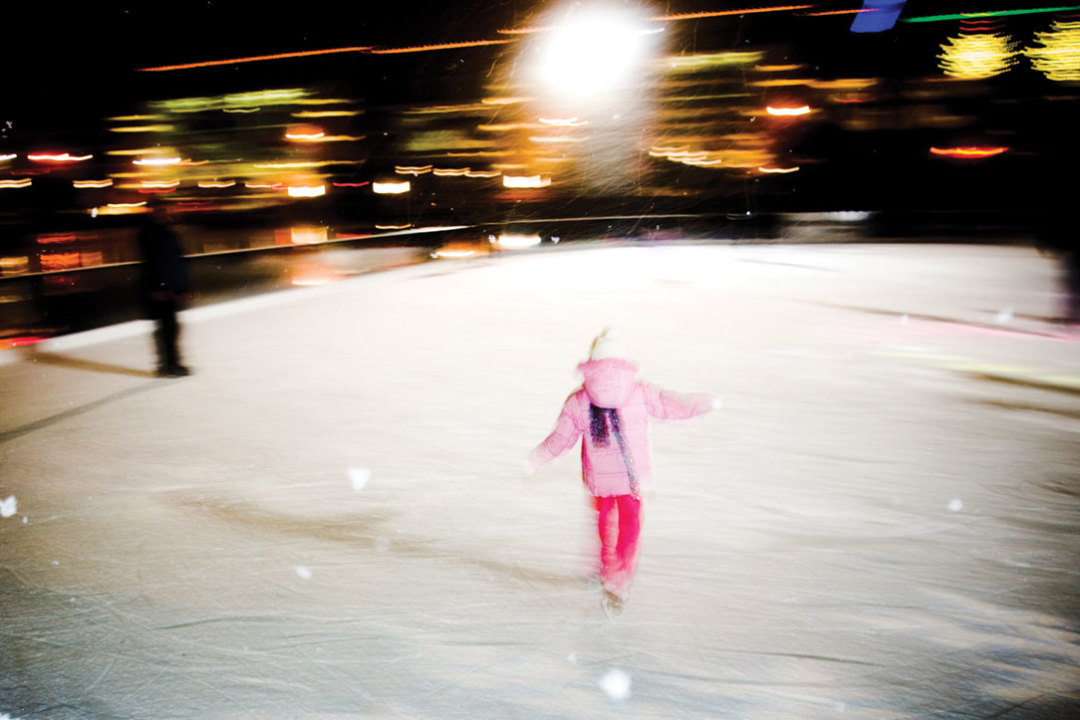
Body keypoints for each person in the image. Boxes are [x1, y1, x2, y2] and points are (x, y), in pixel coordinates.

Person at [525, 328, 720, 609]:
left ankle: (606, 567)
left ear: (592, 363)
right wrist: (700, 404)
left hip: (600, 483)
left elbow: (560, 440)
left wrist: (537, 458)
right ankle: (620, 576)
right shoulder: (639, 393)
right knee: (630, 527)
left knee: (605, 523)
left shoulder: (580, 401)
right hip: (632, 480)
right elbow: (671, 406)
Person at [136, 200, 192, 377]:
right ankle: (168, 364)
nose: (165, 214)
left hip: (169, 289)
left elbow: (176, 263)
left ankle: (171, 363)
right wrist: (158, 288)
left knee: (171, 328)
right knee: (166, 328)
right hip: (161, 290)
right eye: (161, 211)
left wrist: (183, 288)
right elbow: (154, 264)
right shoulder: (151, 235)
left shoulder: (168, 234)